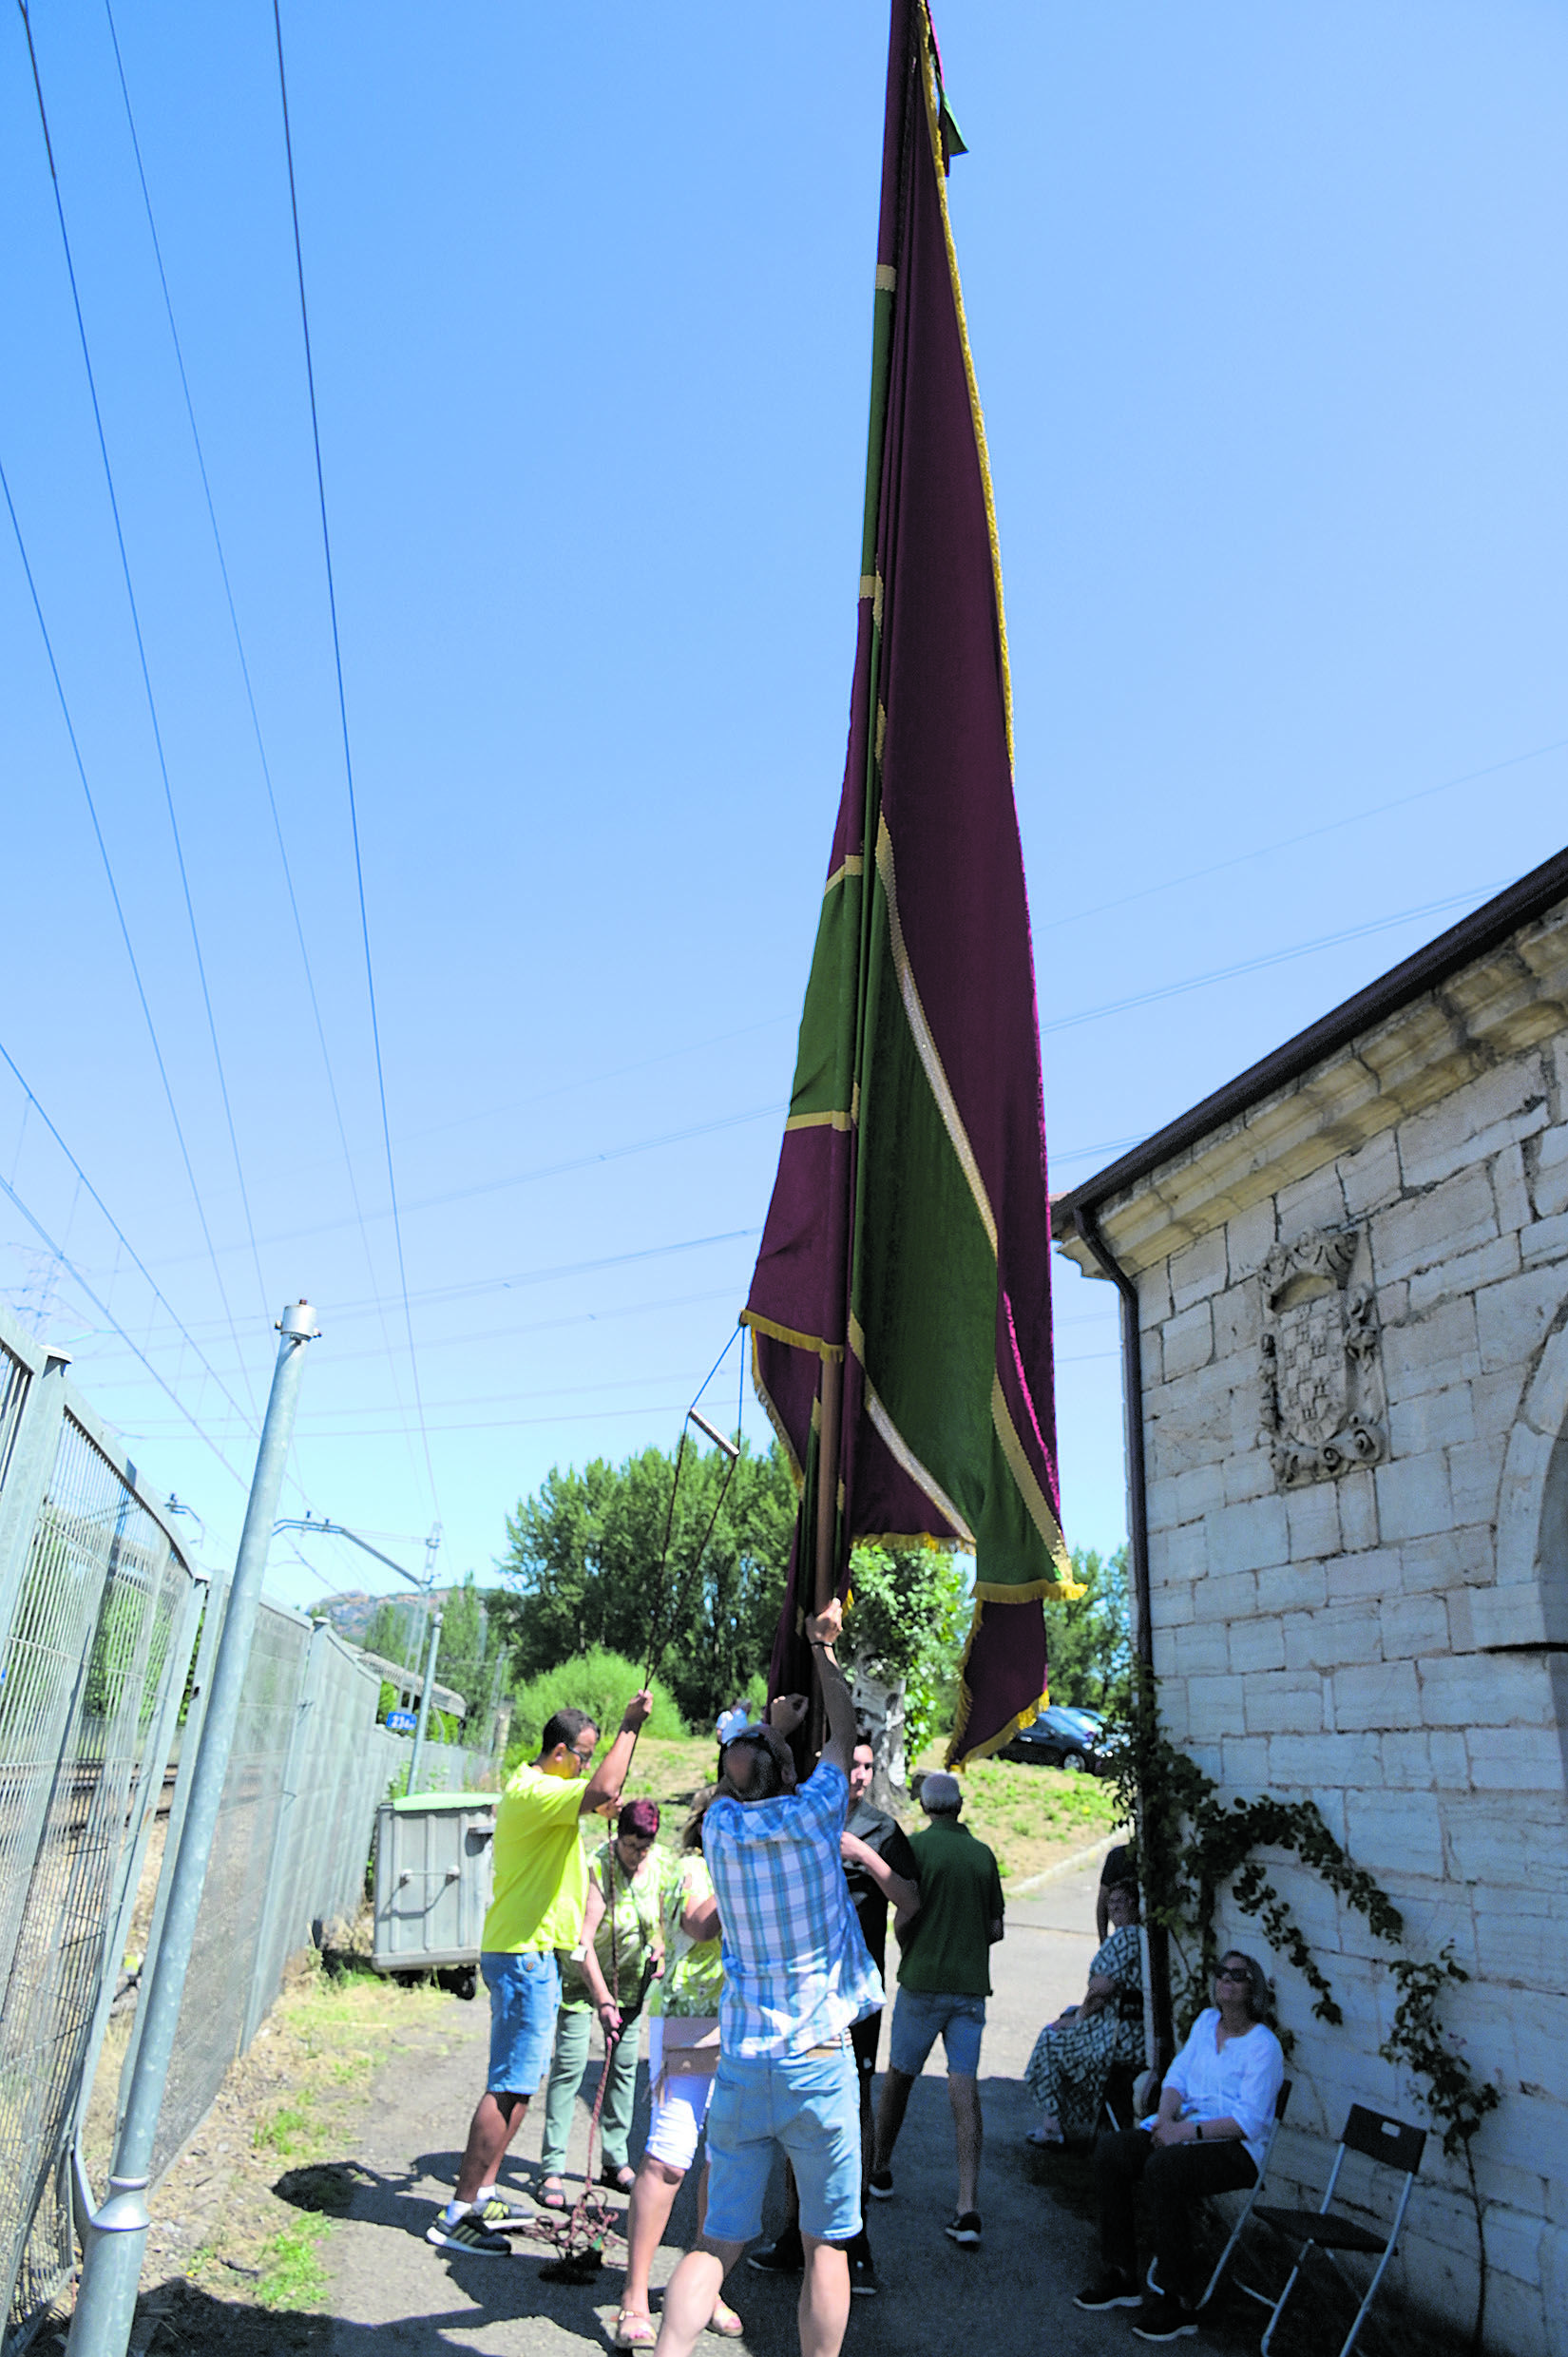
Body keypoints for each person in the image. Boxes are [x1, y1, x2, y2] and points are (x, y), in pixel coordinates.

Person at [650, 1598, 880, 2357]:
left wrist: (770, 1736)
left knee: (714, 2243)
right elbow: (845, 1735)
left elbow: (740, 1781)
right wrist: (824, 1648)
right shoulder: (816, 1814)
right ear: (791, 1777)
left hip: (746, 2060)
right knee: (825, 2246)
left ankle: (670, 2351)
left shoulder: (718, 1827)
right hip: (817, 2056)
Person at [427, 1690, 653, 2255]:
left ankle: (483, 2195)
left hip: (533, 1955)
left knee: (521, 2082)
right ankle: (457, 2212)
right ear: (558, 1753)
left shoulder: (545, 1791)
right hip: (522, 1956)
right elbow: (602, 1790)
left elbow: (600, 1798)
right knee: (507, 2083)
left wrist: (604, 1786)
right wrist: (629, 1726)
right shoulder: (535, 1791)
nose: (585, 1763)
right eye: (582, 1754)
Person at [749, 1722, 920, 2294]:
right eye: (852, 1765)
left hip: (854, 1993)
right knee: (799, 2106)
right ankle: (796, 2234)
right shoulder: (802, 1815)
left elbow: (910, 1901)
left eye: (869, 1767)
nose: (860, 1775)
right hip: (800, 1990)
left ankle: (855, 2241)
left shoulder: (884, 1829)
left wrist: (864, 1854)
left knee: (855, 2106)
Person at [1075, 1948, 1285, 2344]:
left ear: (1252, 1987)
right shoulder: (1207, 2023)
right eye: (1221, 1971)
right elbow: (1177, 2078)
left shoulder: (1264, 2046)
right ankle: (1121, 2274)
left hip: (1234, 2150)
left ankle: (1178, 2300)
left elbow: (1250, 2122)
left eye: (1237, 1974)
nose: (1226, 1978)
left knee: (1164, 2169)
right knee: (1112, 2151)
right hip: (1182, 2133)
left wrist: (1184, 2133)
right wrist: (1168, 2119)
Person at [617, 1789, 743, 2348]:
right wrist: (747, 1878)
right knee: (669, 2160)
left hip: (742, 2025)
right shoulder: (693, 1866)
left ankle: (703, 2287)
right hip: (689, 2022)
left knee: (723, 2162)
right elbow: (698, 1925)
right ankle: (634, 2296)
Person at [869, 1770, 1003, 2247]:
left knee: (899, 2078)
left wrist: (910, 1940)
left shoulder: (918, 1850)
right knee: (963, 2089)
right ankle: (968, 2204)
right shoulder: (982, 1855)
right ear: (960, 1805)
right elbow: (995, 1928)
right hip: (969, 1988)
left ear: (925, 1807)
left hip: (922, 1981)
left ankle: (879, 2166)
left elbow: (905, 1910)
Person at [538, 1797, 668, 2209]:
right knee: (570, 2068)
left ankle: (615, 2160)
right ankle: (552, 2168)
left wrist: (659, 1951)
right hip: (584, 1982)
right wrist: (602, 1999)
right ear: (618, 1837)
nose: (637, 1855)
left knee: (624, 2070)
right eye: (631, 1846)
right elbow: (583, 1940)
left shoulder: (659, 1864)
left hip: (632, 1985)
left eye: (644, 1847)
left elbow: (661, 1924)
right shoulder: (597, 1866)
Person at [1024, 1874, 1144, 2144]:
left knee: (1051, 2038)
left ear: (1135, 1904)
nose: (1113, 1908)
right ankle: (1068, 2121)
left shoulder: (1125, 1937)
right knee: (1065, 2016)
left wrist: (1078, 2019)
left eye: (1121, 1902)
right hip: (1134, 2034)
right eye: (1110, 1902)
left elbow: (1101, 1990)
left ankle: (1053, 2126)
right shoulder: (1145, 1939)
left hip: (1116, 2039)